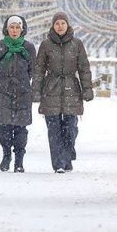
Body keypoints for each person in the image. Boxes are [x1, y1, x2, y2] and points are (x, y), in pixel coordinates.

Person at [32, 12, 93, 173]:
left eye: (63, 23)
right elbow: (39, 70)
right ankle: (58, 163)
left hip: (72, 89)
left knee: (70, 128)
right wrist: (36, 91)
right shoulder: (46, 45)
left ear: (68, 25)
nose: (60, 26)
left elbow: (84, 68)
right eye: (57, 23)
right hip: (51, 89)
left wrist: (87, 89)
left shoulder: (77, 44)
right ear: (53, 26)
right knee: (54, 130)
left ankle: (67, 155)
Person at [0, 14, 35, 172]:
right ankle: (6, 155)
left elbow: (32, 70)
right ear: (7, 29)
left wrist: (22, 83)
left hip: (23, 93)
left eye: (17, 27)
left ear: (22, 29)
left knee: (21, 128)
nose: (14, 30)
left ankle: (19, 161)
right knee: (5, 128)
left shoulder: (28, 48)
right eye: (12, 27)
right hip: (3, 93)